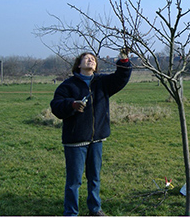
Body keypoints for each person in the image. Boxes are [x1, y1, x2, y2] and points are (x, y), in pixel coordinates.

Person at [50, 49, 132, 216]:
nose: (90, 60)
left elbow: (121, 78)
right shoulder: (68, 85)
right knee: (74, 181)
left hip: (97, 139)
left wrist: (123, 60)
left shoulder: (101, 82)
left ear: (96, 66)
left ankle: (95, 209)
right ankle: (71, 212)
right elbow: (56, 106)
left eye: (93, 59)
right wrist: (72, 105)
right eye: (86, 58)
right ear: (78, 65)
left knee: (94, 178)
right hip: (75, 140)